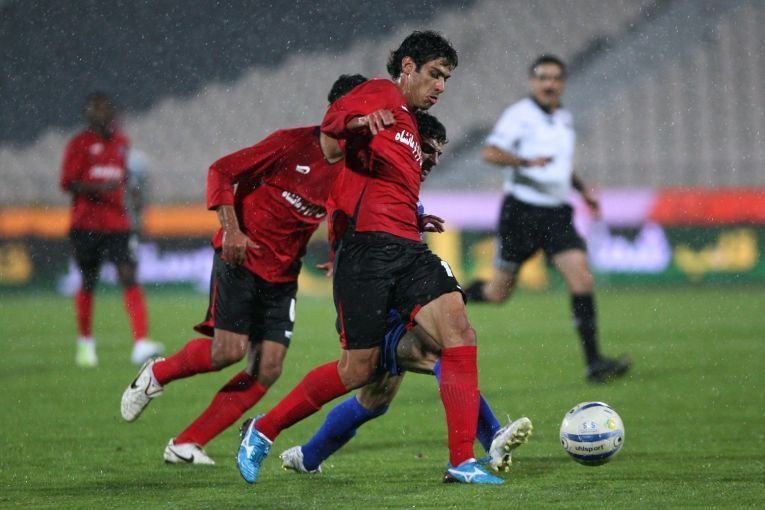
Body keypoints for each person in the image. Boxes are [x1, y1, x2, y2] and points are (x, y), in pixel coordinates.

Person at [237, 31, 504, 485]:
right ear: (407, 67)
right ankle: (263, 430)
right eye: (435, 74)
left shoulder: (411, 126)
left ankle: (461, 460)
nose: (441, 86)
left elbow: (380, 183)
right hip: (366, 252)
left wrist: (413, 218)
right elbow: (329, 142)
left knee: (459, 333)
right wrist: (361, 123)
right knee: (358, 370)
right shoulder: (379, 93)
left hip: (408, 248)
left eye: (447, 78)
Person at [119, 75, 368, 465]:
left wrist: (338, 253)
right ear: (338, 113)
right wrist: (232, 231)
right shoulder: (289, 144)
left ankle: (186, 443)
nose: (367, 122)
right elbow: (221, 171)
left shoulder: (353, 167)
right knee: (227, 352)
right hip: (242, 258)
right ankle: (156, 375)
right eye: (361, 113)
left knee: (268, 368)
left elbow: (344, 213)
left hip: (283, 274)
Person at [279, 112, 533, 476]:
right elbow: (349, 220)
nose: (433, 160)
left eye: (439, 154)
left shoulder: (404, 189)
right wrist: (341, 256)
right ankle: (490, 438)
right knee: (442, 353)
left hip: (397, 307)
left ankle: (307, 456)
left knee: (373, 400)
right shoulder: (374, 179)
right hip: (377, 311)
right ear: (409, 146)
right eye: (427, 150)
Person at [462, 55, 631, 383]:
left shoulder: (564, 118)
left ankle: (595, 363)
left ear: (562, 83)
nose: (548, 83)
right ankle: (443, 299)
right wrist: (525, 162)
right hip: (521, 213)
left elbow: (562, 165)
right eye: (542, 77)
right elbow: (490, 152)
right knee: (497, 293)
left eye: (554, 78)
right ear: (532, 82)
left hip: (556, 213)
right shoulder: (519, 115)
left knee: (582, 279)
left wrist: (582, 190)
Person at [60, 92, 164, 367]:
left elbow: (123, 175)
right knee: (89, 280)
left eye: (107, 109)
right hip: (86, 224)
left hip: (117, 223)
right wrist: (98, 188)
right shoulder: (79, 144)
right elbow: (68, 182)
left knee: (129, 275)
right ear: (90, 114)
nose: (104, 114)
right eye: (99, 110)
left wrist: (134, 193)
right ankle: (85, 343)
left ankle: (141, 343)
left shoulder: (121, 143)